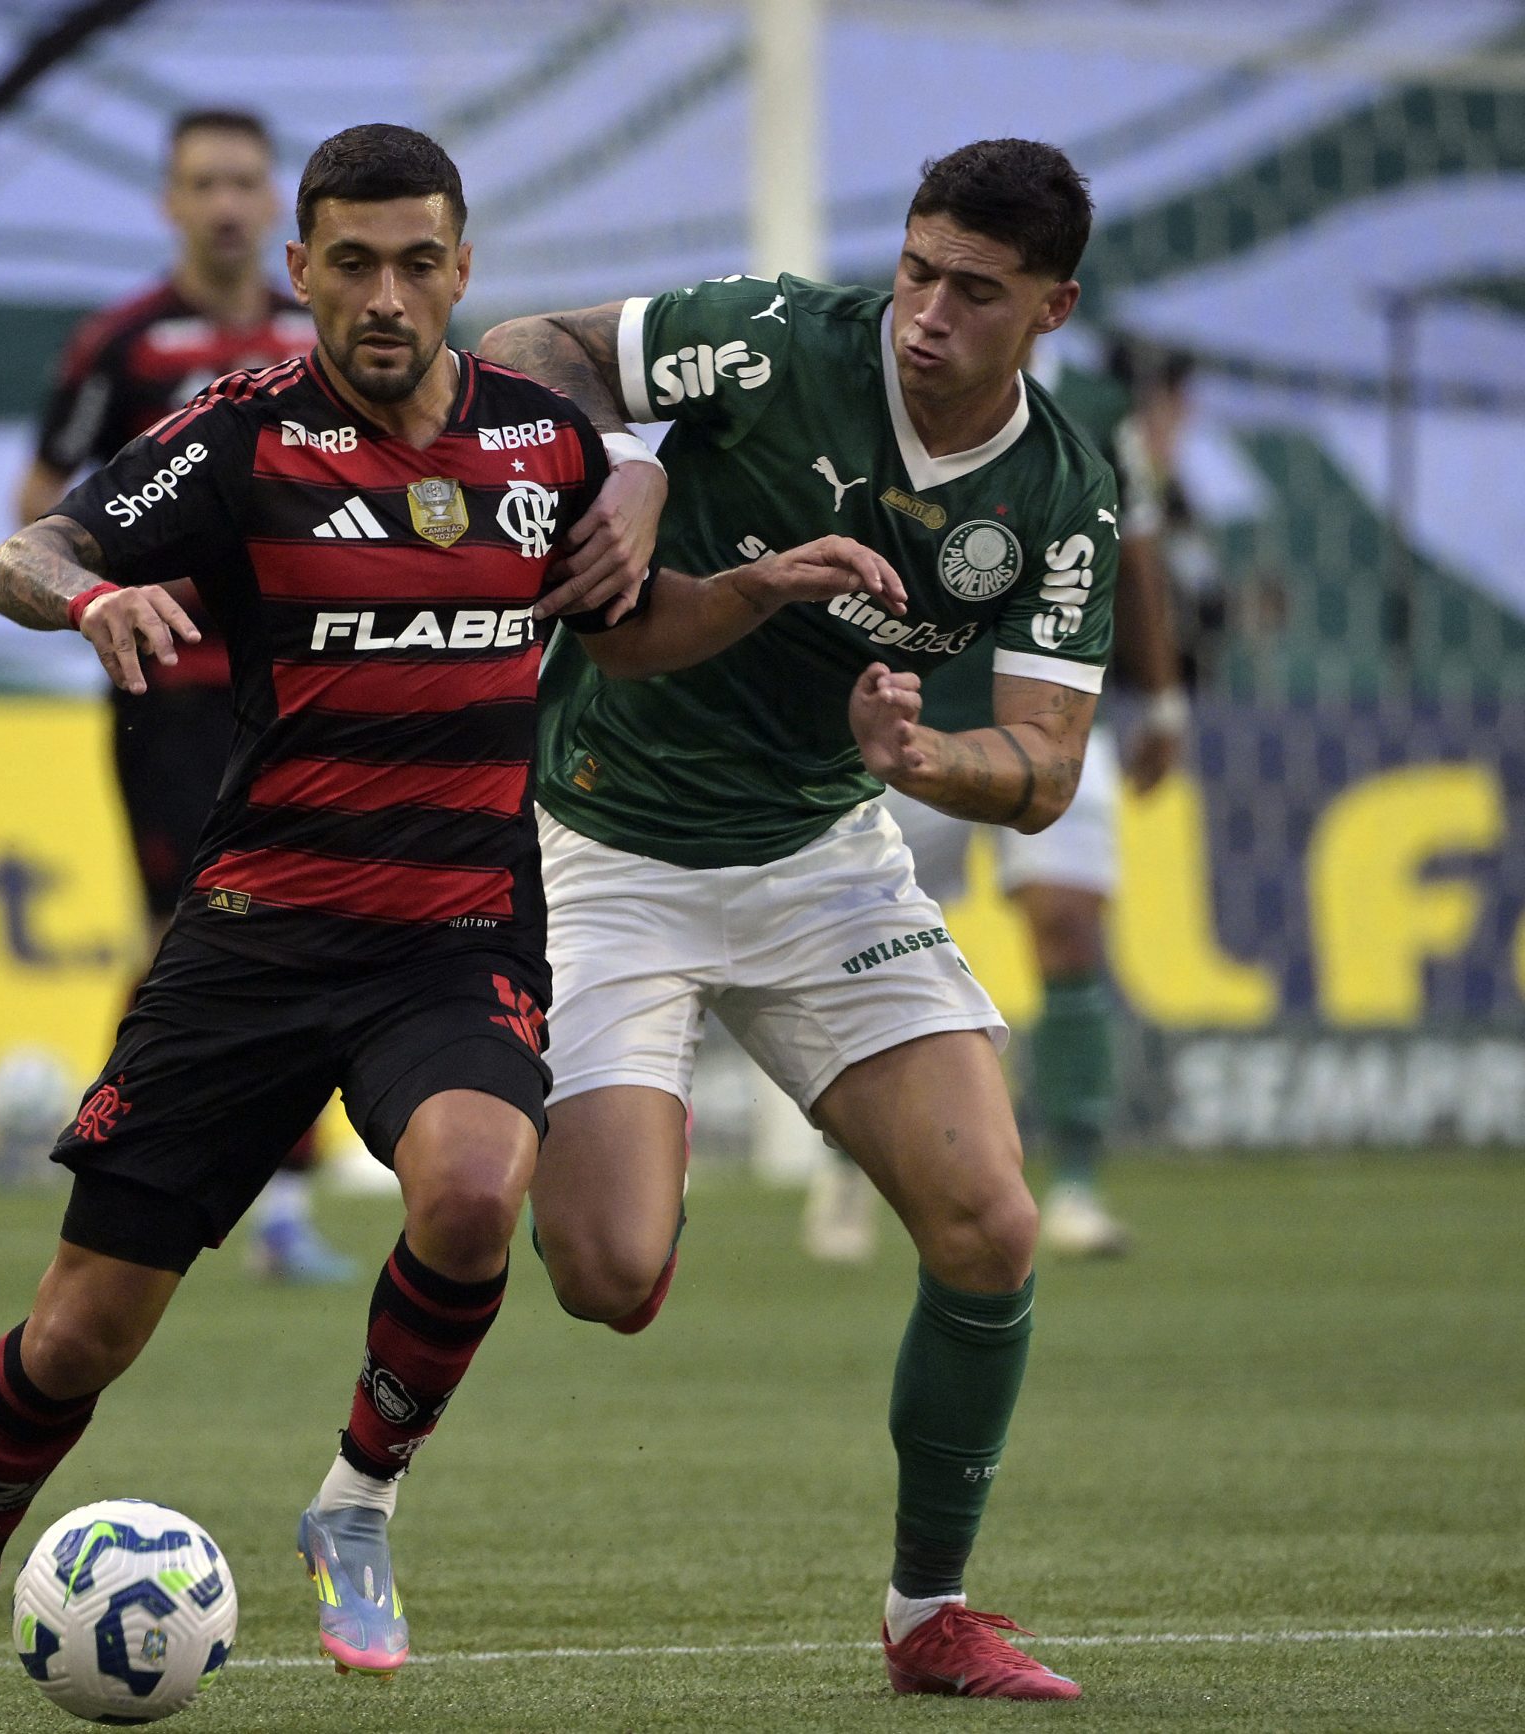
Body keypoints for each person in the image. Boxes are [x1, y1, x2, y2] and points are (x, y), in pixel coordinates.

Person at [0, 123, 650, 1721]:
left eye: (418, 262)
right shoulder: (238, 439)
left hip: (456, 934)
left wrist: (665, 505)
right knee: (81, 1333)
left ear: (462, 271)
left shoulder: (544, 444)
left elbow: (642, 585)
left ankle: (357, 1502)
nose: (385, 294)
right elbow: (27, 549)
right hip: (254, 937)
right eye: (349, 262)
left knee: (479, 1192)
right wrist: (94, 596)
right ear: (300, 272)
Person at [482, 138, 1118, 1699]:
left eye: (976, 292)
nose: (926, 315)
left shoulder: (1063, 496)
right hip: (605, 844)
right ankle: (641, 1144)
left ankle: (927, 1612)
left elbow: (1039, 772)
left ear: (1051, 307)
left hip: (821, 856)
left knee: (993, 1221)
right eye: (916, 271)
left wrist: (920, 761)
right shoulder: (772, 338)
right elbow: (519, 351)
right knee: (606, 1274)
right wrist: (618, 467)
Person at [14, 109, 351, 1284]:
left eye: (242, 183)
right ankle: (136, 1170)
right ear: (169, 201)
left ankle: (283, 1212)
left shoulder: (322, 342)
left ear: (274, 206)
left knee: (313, 927)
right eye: (201, 183)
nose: (222, 203)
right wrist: (112, 597)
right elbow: (42, 504)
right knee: (191, 940)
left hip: (312, 684)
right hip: (176, 691)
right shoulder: (124, 347)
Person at [854, 336, 1192, 1262]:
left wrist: (1161, 697)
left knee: (1070, 928)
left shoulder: (1092, 406)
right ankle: (851, 1167)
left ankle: (1078, 1180)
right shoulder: (890, 380)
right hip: (911, 714)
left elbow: (1140, 550)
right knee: (855, 950)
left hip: (1054, 716)